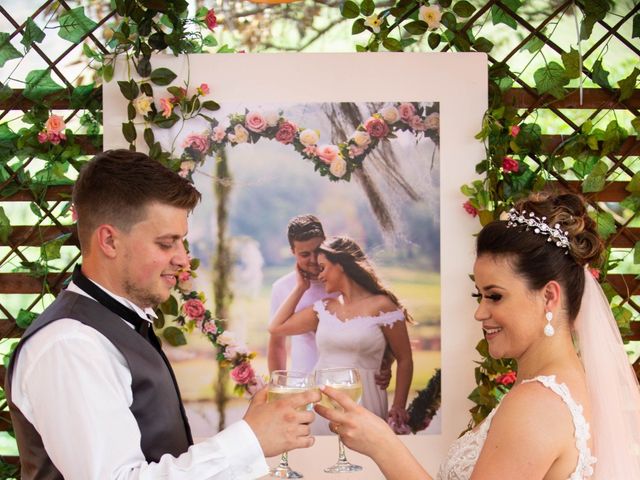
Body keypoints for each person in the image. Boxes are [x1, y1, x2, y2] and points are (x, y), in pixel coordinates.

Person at [5, 149, 320, 480]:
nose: (184, 259)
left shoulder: (118, 325)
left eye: (182, 242)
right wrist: (249, 440)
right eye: (167, 243)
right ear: (109, 241)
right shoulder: (70, 345)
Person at [315, 192, 640, 479]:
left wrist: (384, 446)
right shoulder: (569, 384)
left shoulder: (536, 405)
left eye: (495, 296)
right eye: (479, 296)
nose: (480, 313)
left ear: (549, 297)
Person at [269, 235, 413, 433]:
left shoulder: (383, 306)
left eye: (323, 268)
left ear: (341, 265)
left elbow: (405, 359)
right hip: (321, 401)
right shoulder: (325, 308)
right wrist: (301, 287)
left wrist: (398, 405)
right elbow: (276, 327)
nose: (319, 275)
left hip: (365, 399)